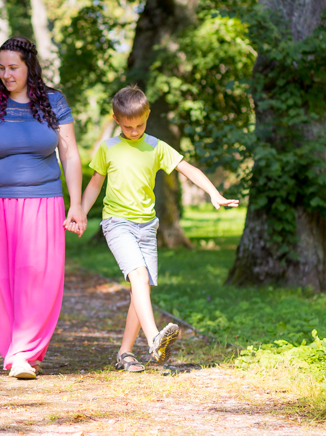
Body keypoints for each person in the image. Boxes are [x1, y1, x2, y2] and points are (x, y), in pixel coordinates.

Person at [81, 86, 239, 372]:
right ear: (116, 120)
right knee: (139, 277)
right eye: (127, 126)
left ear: (148, 116)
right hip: (117, 223)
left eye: (140, 125)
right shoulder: (108, 148)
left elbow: (188, 169)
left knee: (141, 288)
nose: (134, 131)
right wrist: (79, 211)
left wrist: (213, 193)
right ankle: (155, 338)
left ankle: (125, 353)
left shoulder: (156, 146)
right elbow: (94, 183)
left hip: (147, 226)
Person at [0, 37, 86, 380]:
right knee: (5, 280)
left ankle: (24, 351)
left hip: (45, 200)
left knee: (40, 275)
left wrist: (76, 204)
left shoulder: (54, 102)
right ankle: (21, 353)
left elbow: (70, 154)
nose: (6, 74)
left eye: (13, 67)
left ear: (30, 66)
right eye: (1, 68)